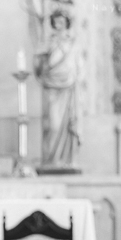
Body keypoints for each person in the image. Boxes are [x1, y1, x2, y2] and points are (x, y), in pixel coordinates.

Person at [33, 9, 80, 171]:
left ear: (67, 23)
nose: (59, 25)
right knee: (52, 125)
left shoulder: (71, 42)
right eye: (56, 22)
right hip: (51, 86)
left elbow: (76, 65)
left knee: (66, 126)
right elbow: (39, 60)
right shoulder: (48, 41)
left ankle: (66, 159)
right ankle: (51, 159)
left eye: (62, 22)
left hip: (67, 85)